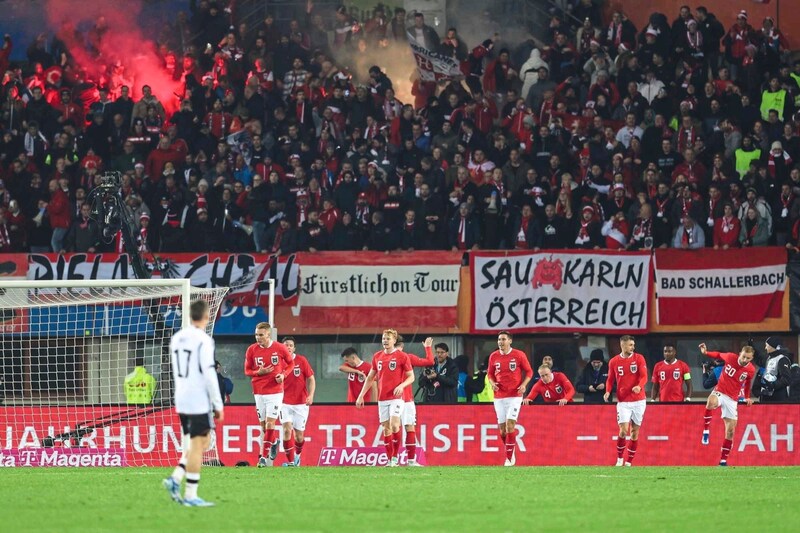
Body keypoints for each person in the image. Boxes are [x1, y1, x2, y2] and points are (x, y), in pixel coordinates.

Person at [162, 299, 223, 507]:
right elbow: (208, 372)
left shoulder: (177, 338)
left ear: (189, 316)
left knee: (203, 442)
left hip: (181, 396)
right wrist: (218, 404)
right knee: (199, 445)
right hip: (197, 399)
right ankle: (190, 495)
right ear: (206, 317)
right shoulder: (203, 340)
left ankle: (175, 477)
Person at [355, 329, 415, 467]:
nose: (385, 341)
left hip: (396, 398)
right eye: (383, 338)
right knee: (386, 428)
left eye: (388, 338)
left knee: (395, 425)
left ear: (394, 340)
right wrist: (361, 396)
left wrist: (402, 386)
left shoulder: (402, 356)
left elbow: (411, 376)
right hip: (382, 399)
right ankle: (390, 460)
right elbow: (370, 377)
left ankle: (395, 458)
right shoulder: (377, 356)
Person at [243, 322, 295, 468]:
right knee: (265, 428)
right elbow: (247, 371)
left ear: (268, 334)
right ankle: (274, 442)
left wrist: (283, 375)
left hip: (275, 391)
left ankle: (263, 459)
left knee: (270, 423)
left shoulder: (279, 348)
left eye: (261, 335)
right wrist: (258, 372)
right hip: (258, 391)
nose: (258, 338)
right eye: (256, 335)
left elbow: (291, 364)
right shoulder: (251, 350)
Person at [699, 343, 756, 466]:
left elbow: (747, 383)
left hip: (732, 399)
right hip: (720, 391)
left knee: (730, 431)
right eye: (743, 356)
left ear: (751, 359)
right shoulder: (730, 357)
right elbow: (718, 355)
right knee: (711, 402)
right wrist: (706, 353)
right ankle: (706, 431)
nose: (744, 360)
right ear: (740, 354)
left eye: (748, 358)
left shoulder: (750, 370)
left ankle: (723, 461)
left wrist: (747, 397)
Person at [488, 331, 533, 466]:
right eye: (499, 340)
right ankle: (511, 451)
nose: (500, 342)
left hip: (514, 395)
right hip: (499, 396)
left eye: (503, 339)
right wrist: (492, 384)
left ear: (510, 341)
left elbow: (529, 371)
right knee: (502, 430)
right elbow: (490, 373)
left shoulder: (519, 355)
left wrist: (524, 385)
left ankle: (508, 459)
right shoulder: (493, 356)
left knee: (510, 425)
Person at [604, 335, 648, 467]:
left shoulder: (639, 358)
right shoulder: (613, 361)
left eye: (633, 345)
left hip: (639, 400)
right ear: (622, 345)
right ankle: (619, 459)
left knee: (634, 433)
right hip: (623, 401)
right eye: (630, 345)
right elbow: (610, 379)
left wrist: (639, 386)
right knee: (623, 430)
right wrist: (607, 391)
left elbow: (644, 376)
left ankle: (629, 461)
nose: (633, 347)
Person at [396, 335, 434, 466]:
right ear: (402, 345)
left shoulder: (383, 357)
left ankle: (392, 460)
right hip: (406, 399)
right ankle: (411, 460)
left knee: (391, 429)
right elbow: (430, 362)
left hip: (391, 399)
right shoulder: (408, 357)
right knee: (409, 428)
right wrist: (428, 348)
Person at [279, 337, 315, 467]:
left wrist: (311, 395)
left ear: (294, 348)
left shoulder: (301, 360)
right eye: (286, 345)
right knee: (287, 430)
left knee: (299, 436)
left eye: (290, 345)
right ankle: (290, 462)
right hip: (283, 402)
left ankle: (297, 457)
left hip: (301, 404)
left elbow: (311, 379)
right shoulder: (278, 361)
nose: (288, 347)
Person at [759, 337, 793, 402]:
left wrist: (773, 385)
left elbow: (786, 379)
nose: (765, 348)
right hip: (767, 395)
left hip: (777, 398)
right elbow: (759, 360)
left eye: (767, 346)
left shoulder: (782, 359)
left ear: (773, 347)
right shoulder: (769, 358)